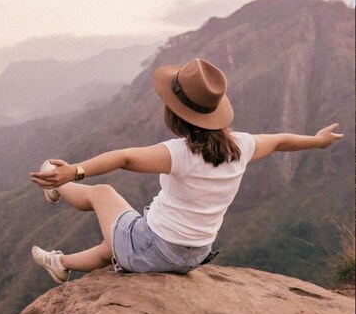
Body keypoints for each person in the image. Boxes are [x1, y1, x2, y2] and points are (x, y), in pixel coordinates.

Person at [29, 58, 343, 284]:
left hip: (156, 250)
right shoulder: (241, 146)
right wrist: (317, 141)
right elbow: (279, 142)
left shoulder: (180, 153)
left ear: (176, 114)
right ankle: (60, 263)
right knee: (115, 242)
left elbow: (124, 158)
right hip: (194, 255)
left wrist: (75, 171)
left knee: (103, 193)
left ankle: (55, 182)